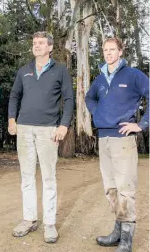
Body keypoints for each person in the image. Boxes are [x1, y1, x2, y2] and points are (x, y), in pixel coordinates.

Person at [8, 31, 74, 243]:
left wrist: (63, 125)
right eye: (34, 43)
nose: (37, 46)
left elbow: (69, 99)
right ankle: (29, 220)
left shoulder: (60, 70)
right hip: (24, 129)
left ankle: (49, 224)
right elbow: (14, 95)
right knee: (27, 177)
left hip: (48, 130)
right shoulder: (24, 70)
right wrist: (11, 119)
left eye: (41, 43)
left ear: (50, 47)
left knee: (48, 178)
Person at [85, 37, 149, 252]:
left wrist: (142, 124)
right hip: (104, 139)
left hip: (123, 139)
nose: (108, 53)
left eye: (112, 49)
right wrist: (98, 113)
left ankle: (127, 240)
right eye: (105, 49)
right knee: (110, 188)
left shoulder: (133, 75)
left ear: (121, 51)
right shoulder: (101, 78)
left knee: (125, 188)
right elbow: (89, 98)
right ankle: (117, 231)